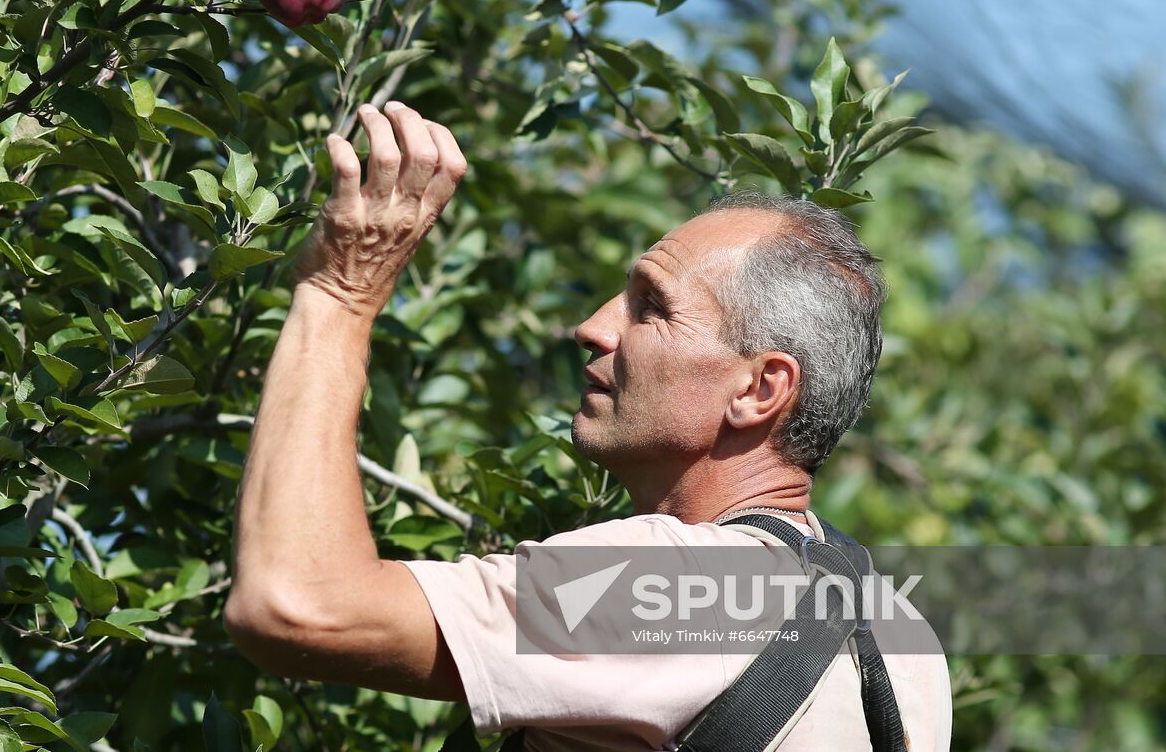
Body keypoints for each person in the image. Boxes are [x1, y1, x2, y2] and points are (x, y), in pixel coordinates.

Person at [222, 102, 952, 750]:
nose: (594, 327)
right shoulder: (900, 638)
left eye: (652, 307)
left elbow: (298, 604)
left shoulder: (676, 588)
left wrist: (339, 295)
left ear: (760, 389)